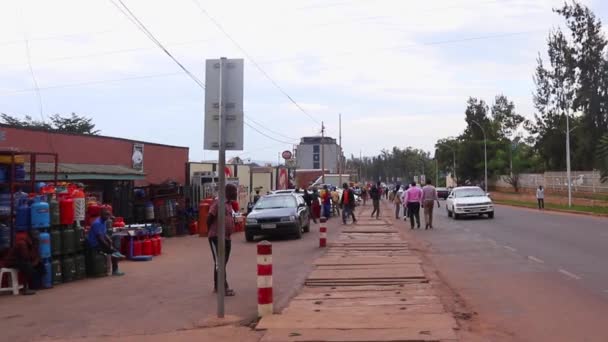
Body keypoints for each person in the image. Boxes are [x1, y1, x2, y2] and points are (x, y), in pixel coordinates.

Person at [206, 183, 238, 296]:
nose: (236, 193)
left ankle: (217, 286)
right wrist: (212, 232)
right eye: (234, 191)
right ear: (227, 192)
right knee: (220, 262)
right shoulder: (218, 202)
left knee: (222, 263)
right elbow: (209, 218)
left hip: (226, 237)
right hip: (216, 237)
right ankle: (223, 288)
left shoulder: (229, 204)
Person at [87, 208, 125, 276]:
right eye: (106, 215)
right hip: (95, 244)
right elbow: (100, 239)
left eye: (108, 215)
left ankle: (116, 252)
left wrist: (109, 241)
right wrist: (109, 248)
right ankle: (115, 269)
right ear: (101, 215)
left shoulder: (103, 221)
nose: (108, 217)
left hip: (99, 242)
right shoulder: (97, 223)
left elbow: (104, 234)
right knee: (113, 251)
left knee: (116, 238)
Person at [3, 230, 43, 295]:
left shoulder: (31, 244)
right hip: (11, 262)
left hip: (20, 261)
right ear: (30, 238)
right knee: (27, 266)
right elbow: (26, 257)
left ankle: (36, 285)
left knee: (39, 265)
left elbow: (36, 256)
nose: (36, 240)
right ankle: (25, 289)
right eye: (35, 239)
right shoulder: (22, 243)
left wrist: (36, 259)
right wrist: (33, 259)